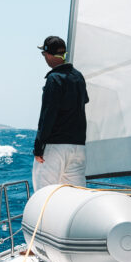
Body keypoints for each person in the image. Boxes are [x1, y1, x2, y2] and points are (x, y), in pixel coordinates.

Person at [33, 35, 89, 191]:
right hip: (78, 147)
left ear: (49, 54)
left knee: (44, 193)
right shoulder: (78, 77)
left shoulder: (54, 79)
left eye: (44, 54)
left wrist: (38, 148)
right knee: (77, 194)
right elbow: (84, 101)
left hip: (55, 147)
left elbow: (48, 115)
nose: (44, 58)